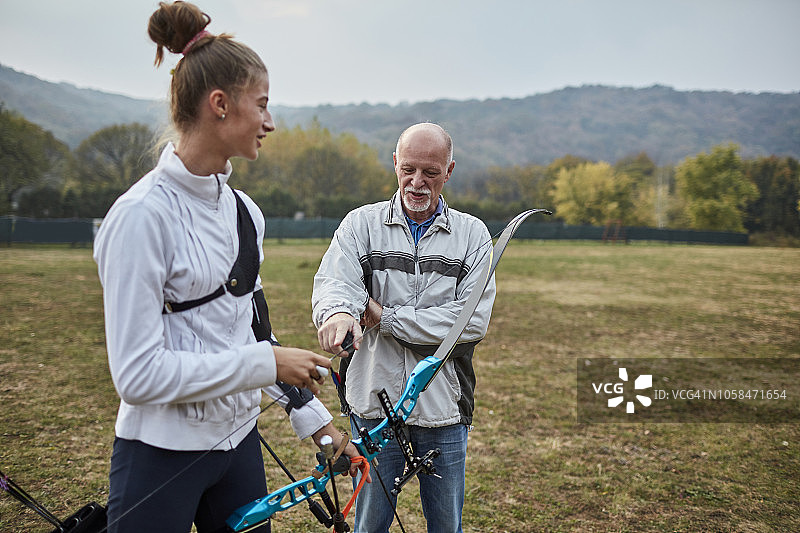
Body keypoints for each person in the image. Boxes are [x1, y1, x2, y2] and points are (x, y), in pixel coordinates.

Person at [93, 2, 358, 532]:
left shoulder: (245, 213)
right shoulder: (140, 216)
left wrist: (319, 426)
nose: (270, 122)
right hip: (159, 454)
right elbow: (137, 377)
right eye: (261, 105)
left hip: (238, 451)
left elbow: (254, 332)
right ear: (219, 104)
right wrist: (264, 364)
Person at [312, 122, 497, 533]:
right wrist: (339, 313)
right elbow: (336, 283)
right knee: (370, 525)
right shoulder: (361, 225)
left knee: (445, 525)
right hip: (373, 406)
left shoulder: (472, 235)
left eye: (430, 172)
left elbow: (468, 322)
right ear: (395, 162)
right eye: (408, 169)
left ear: (449, 171)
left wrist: (385, 317)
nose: (417, 182)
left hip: (443, 409)